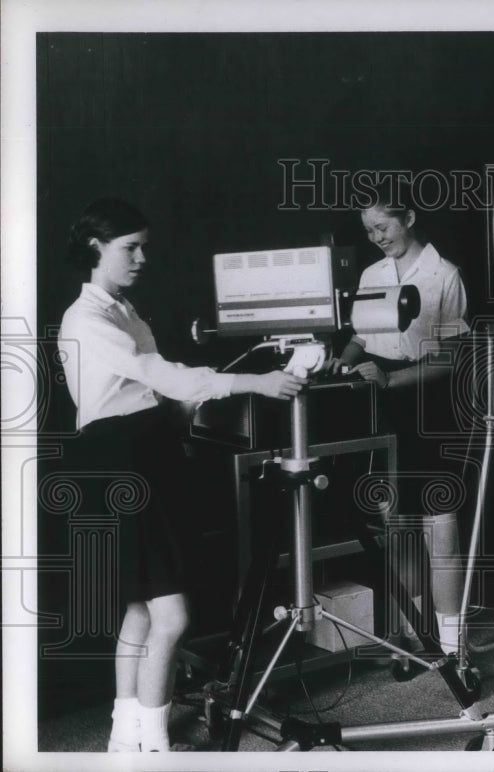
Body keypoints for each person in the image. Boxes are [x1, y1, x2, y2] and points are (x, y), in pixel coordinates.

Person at [57, 198, 307, 752]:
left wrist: (197, 401)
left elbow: (153, 388)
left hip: (140, 452)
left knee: (141, 611)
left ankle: (125, 738)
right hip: (121, 460)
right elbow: (157, 374)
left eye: (144, 246)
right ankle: (153, 745)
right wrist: (256, 383)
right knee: (170, 616)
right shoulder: (87, 319)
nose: (142, 258)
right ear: (96, 248)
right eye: (130, 248)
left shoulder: (123, 310)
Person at [329, 181, 471, 658]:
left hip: (431, 404)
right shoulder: (372, 273)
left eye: (383, 226)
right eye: (369, 230)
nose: (376, 237)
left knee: (440, 530)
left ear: (408, 218)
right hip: (383, 406)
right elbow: (361, 336)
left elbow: (450, 357)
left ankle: (452, 645)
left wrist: (390, 379)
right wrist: (341, 361)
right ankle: (416, 636)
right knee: (399, 526)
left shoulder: (444, 275)